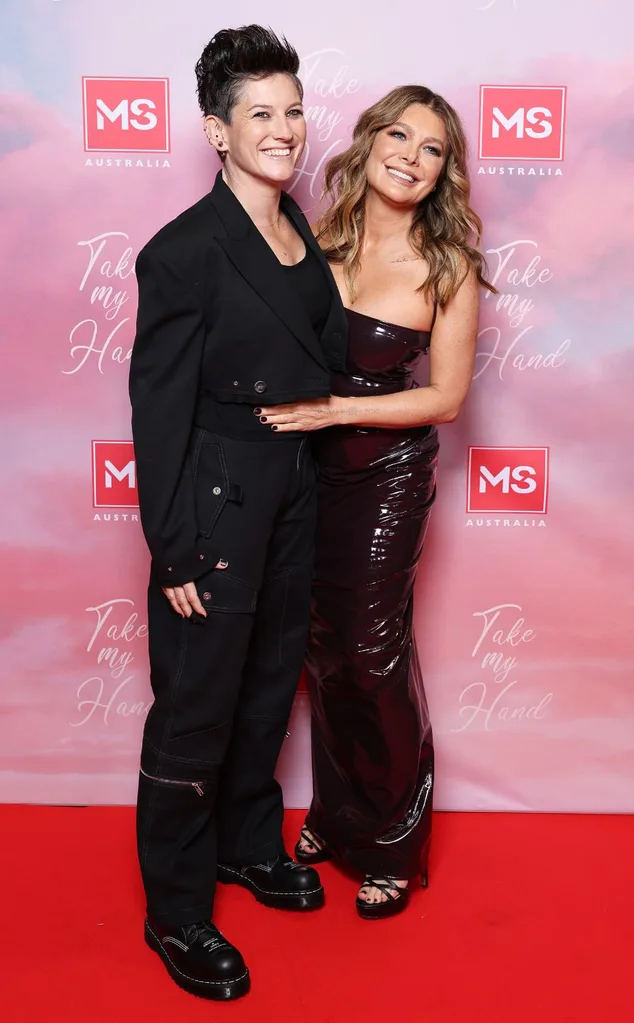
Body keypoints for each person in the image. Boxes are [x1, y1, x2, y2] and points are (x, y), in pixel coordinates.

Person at [129, 25, 347, 1000]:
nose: (284, 130)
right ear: (217, 132)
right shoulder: (183, 253)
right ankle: (174, 912)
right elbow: (158, 407)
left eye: (292, 110)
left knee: (266, 687)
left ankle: (245, 845)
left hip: (291, 487)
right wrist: (172, 549)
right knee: (196, 710)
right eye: (260, 114)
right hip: (214, 501)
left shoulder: (299, 227)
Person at [257, 85, 494, 919]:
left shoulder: (449, 265)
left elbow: (446, 398)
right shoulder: (313, 239)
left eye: (433, 148)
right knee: (321, 651)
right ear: (370, 140)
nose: (412, 156)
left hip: (386, 472)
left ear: (444, 172)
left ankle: (393, 834)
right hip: (301, 470)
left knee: (372, 650)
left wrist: (338, 409)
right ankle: (334, 811)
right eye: (400, 134)